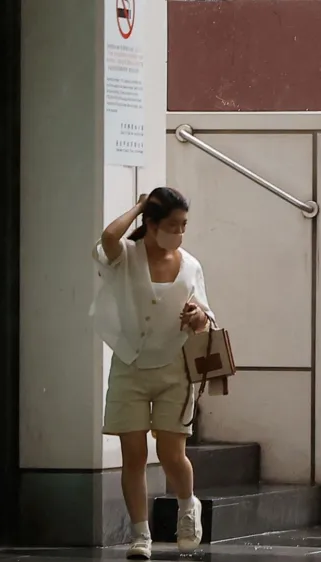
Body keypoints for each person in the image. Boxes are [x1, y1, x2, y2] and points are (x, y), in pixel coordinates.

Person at [90, 187, 214, 559]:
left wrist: (197, 317)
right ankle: (140, 534)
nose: (179, 233)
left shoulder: (190, 265)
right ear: (152, 224)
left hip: (174, 367)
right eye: (173, 225)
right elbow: (109, 236)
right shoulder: (125, 256)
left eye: (184, 225)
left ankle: (188, 507)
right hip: (130, 364)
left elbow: (207, 316)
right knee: (133, 454)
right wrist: (142, 204)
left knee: (171, 451)